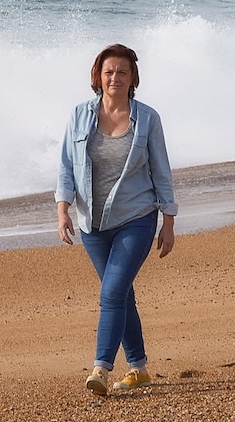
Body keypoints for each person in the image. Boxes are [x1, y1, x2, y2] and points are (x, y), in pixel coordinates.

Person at [55, 43, 177, 396]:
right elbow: (66, 166)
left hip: (136, 217)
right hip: (92, 224)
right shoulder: (79, 115)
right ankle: (138, 369)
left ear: (133, 77)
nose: (115, 78)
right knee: (122, 294)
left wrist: (168, 221)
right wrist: (63, 209)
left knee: (111, 292)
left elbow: (161, 170)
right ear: (98, 76)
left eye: (122, 72)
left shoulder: (148, 119)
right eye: (109, 72)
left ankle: (101, 369)